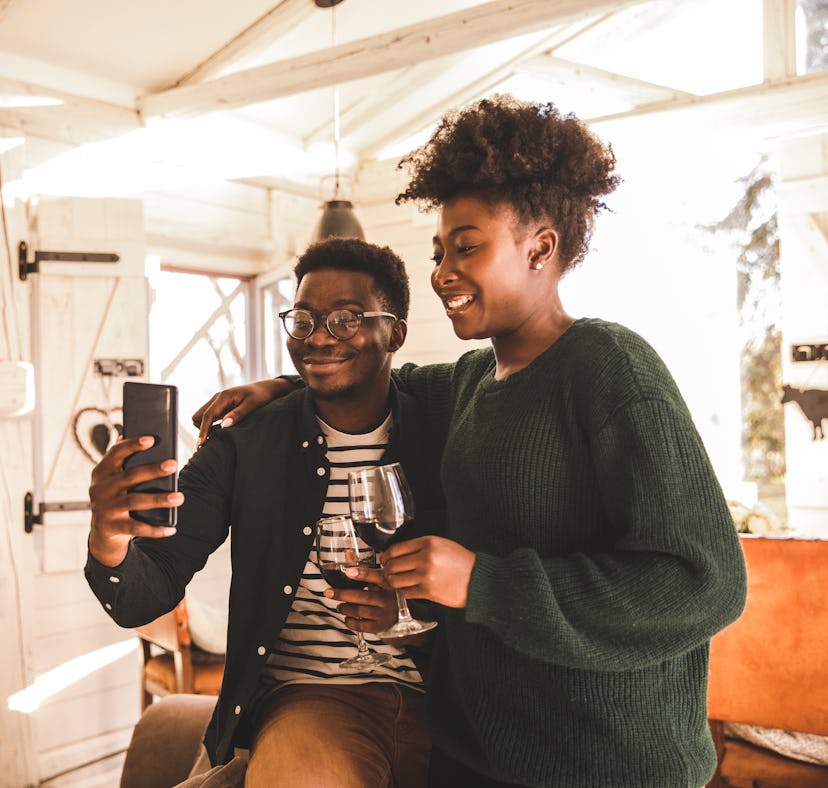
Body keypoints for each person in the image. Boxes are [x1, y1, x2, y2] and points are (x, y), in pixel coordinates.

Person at [192, 95, 748, 788]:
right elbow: (362, 371)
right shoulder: (466, 382)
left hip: (606, 765)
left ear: (540, 247)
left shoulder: (610, 368)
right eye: (439, 251)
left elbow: (706, 585)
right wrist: (280, 386)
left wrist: (482, 581)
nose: (441, 272)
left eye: (467, 247)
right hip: (471, 757)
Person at [85, 237, 444, 788]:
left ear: (393, 331)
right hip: (308, 699)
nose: (319, 336)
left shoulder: (445, 434)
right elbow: (141, 595)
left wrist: (414, 625)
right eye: (303, 319)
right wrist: (109, 537)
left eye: (346, 320)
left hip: (443, 699)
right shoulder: (242, 444)